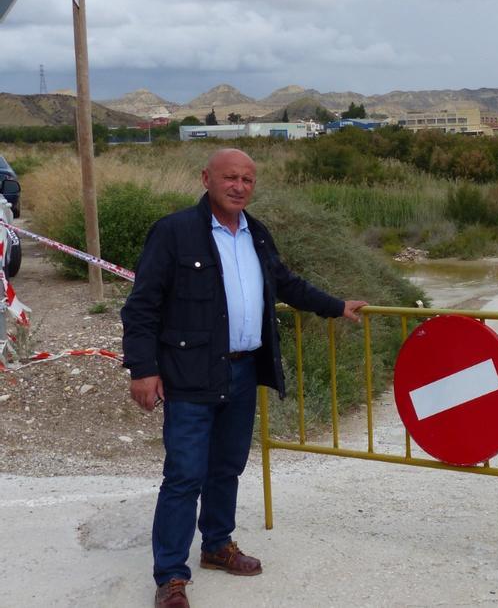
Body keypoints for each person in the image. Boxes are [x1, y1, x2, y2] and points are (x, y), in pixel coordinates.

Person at [121, 148, 368, 608]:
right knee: (183, 475)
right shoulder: (174, 232)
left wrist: (336, 306)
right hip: (189, 373)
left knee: (227, 467)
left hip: (241, 370)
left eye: (248, 180)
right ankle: (172, 576)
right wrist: (144, 369)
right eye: (230, 178)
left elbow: (285, 283)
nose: (239, 186)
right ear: (206, 179)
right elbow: (142, 306)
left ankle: (217, 545)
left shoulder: (256, 232)